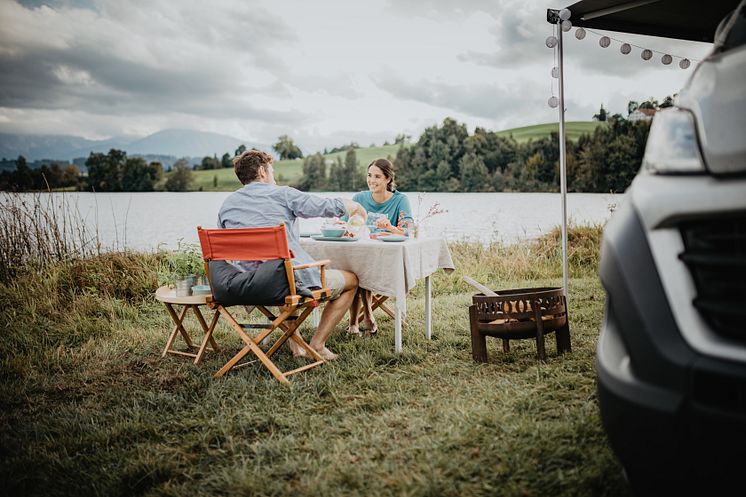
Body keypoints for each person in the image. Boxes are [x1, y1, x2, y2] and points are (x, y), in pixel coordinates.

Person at [217, 149, 367, 360]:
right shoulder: (282, 194)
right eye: (272, 170)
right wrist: (352, 205)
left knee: (281, 273)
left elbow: (223, 249)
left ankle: (296, 346)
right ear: (262, 171)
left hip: (244, 284)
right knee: (351, 280)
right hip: (282, 283)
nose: (273, 176)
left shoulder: (227, 205)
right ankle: (318, 344)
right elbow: (322, 205)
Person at [347, 158, 413, 336]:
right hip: (361, 257)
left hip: (386, 260)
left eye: (377, 176)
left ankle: (360, 320)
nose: (371, 180)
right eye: (369, 175)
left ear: (388, 179)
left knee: (359, 271)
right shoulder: (359, 198)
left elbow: (409, 231)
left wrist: (390, 228)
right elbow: (348, 227)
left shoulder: (400, 200)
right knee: (355, 269)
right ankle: (363, 320)